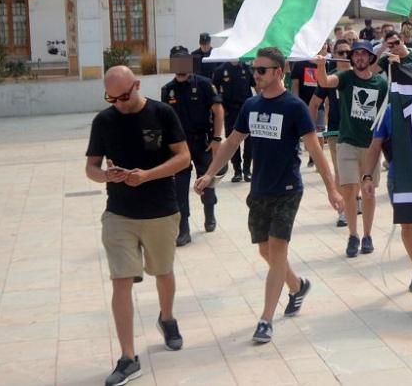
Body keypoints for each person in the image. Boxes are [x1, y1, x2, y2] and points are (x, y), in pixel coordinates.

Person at [196, 47, 343, 343]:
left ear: (279, 72)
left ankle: (265, 320)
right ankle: (297, 286)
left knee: (277, 249)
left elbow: (315, 148)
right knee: (265, 251)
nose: (256, 75)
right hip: (259, 189)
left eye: (262, 70)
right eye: (255, 69)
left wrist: (331, 189)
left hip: (288, 189)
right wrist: (211, 172)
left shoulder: (294, 107)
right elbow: (232, 142)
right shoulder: (251, 105)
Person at [86, 66, 191, 386]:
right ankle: (128, 357)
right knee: (121, 281)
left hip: (160, 210)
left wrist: (146, 175)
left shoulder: (162, 114)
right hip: (119, 213)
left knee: (163, 272)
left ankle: (167, 318)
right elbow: (91, 167)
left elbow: (183, 157)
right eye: (111, 97)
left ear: (137, 85)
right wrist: (105, 175)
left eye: (124, 95)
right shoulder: (103, 121)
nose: (118, 102)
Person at [316, 40, 388, 258]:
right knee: (349, 190)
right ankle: (353, 235)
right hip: (346, 141)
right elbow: (325, 82)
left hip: (371, 146)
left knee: (368, 192)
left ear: (370, 58)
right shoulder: (345, 77)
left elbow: (386, 113)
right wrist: (320, 63)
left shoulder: (381, 84)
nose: (359, 58)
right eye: (355, 54)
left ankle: (367, 235)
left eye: (363, 54)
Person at [362, 101, 412, 311]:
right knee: (407, 229)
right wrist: (367, 176)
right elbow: (375, 145)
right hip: (399, 178)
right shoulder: (388, 111)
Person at [161, 45, 224, 246]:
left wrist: (216, 139)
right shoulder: (167, 90)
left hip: (202, 142)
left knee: (206, 182)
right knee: (179, 189)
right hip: (180, 148)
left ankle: (209, 212)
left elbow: (218, 111)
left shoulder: (204, 84)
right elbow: (165, 122)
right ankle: (184, 229)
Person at [309, 39, 352, 227]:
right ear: (334, 56)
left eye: (347, 53)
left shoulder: (360, 76)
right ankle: (343, 210)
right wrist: (309, 131)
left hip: (360, 133)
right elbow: (314, 103)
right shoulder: (330, 77)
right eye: (340, 53)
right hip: (337, 131)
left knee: (359, 172)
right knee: (341, 171)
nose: (344, 56)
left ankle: (354, 200)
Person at [211, 59, 255, 183]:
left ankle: (247, 170)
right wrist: (220, 106)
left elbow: (256, 86)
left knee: (249, 141)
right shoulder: (220, 70)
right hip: (230, 111)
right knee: (232, 141)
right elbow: (214, 91)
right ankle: (237, 171)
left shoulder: (246, 68)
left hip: (247, 109)